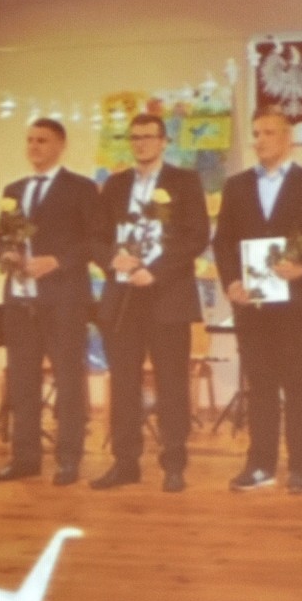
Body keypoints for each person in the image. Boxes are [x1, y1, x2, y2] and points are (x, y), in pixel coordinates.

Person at [211, 108, 302, 495]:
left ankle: (301, 466)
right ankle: (260, 464)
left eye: (269, 133)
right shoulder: (237, 186)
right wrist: (232, 282)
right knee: (260, 383)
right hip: (252, 304)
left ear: (288, 138)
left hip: (297, 303)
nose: (260, 140)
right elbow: (223, 242)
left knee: (298, 381)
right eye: (256, 133)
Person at [92, 113, 212, 493]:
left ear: (163, 141)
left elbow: (197, 236)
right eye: (135, 137)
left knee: (172, 383)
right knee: (124, 383)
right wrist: (112, 258)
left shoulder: (184, 181)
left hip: (167, 296)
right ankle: (125, 462)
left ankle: (173, 463)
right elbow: (95, 236)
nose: (141, 143)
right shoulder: (115, 185)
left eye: (148, 136)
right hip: (123, 297)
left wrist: (155, 271)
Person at [0, 119, 106, 487]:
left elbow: (96, 240)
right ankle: (24, 458)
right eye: (29, 140)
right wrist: (6, 255)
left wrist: (57, 260)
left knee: (68, 379)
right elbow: (0, 240)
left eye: (42, 140)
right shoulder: (14, 190)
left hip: (64, 299)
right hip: (20, 299)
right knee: (22, 380)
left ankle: (68, 459)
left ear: (60, 145)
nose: (34, 147)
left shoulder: (81, 188)